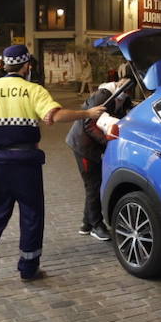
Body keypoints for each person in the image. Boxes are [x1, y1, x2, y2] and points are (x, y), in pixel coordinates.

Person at [0, 44, 105, 279]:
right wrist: (88, 114)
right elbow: (55, 116)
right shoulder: (34, 91)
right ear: (27, 66)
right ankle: (28, 268)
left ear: (5, 65)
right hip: (26, 164)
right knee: (31, 214)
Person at [66, 63, 134, 240]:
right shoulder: (104, 95)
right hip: (84, 145)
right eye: (126, 83)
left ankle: (86, 223)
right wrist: (108, 144)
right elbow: (89, 124)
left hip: (94, 146)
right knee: (94, 185)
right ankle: (97, 225)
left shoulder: (124, 97)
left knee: (94, 184)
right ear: (119, 81)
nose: (128, 88)